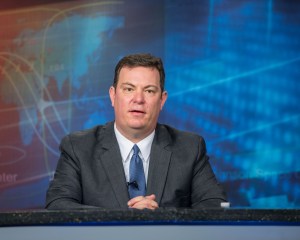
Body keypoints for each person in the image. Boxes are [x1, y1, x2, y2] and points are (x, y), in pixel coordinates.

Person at [45, 53, 227, 210]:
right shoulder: (78, 148)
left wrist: (160, 217)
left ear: (162, 100)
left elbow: (216, 205)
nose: (138, 99)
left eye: (149, 91)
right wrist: (123, 218)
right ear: (113, 96)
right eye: (129, 89)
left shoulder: (190, 148)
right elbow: (58, 204)